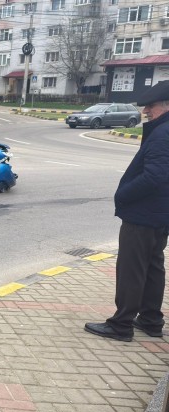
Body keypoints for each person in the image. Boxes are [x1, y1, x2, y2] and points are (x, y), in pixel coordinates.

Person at [84, 81, 169, 341]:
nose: (146, 111)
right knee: (153, 267)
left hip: (143, 215)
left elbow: (154, 176)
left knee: (132, 269)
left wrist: (123, 194)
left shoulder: (162, 134)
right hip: (160, 214)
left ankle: (121, 324)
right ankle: (151, 320)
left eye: (151, 106)